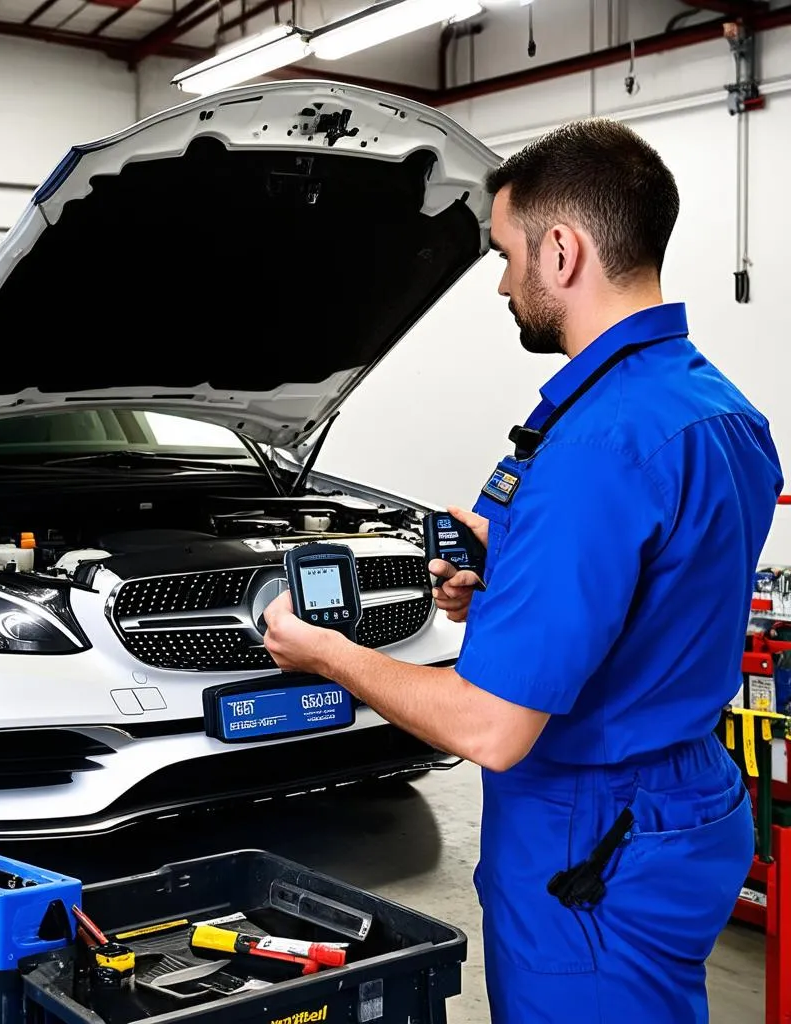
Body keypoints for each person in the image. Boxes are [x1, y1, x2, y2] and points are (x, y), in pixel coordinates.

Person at [262, 118, 784, 1022]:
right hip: (686, 802)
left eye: (506, 254)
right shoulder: (716, 408)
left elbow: (493, 730)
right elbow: (671, 585)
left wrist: (330, 656)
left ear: (562, 248)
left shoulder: (596, 444)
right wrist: (518, 579)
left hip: (592, 838)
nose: (502, 282)